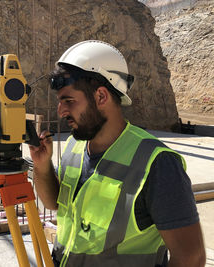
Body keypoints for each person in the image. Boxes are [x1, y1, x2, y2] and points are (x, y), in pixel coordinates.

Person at [29, 40, 206, 267]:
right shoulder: (74, 145)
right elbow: (55, 203)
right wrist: (42, 167)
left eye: (69, 101)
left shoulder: (157, 163)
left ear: (101, 96)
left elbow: (191, 258)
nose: (61, 111)